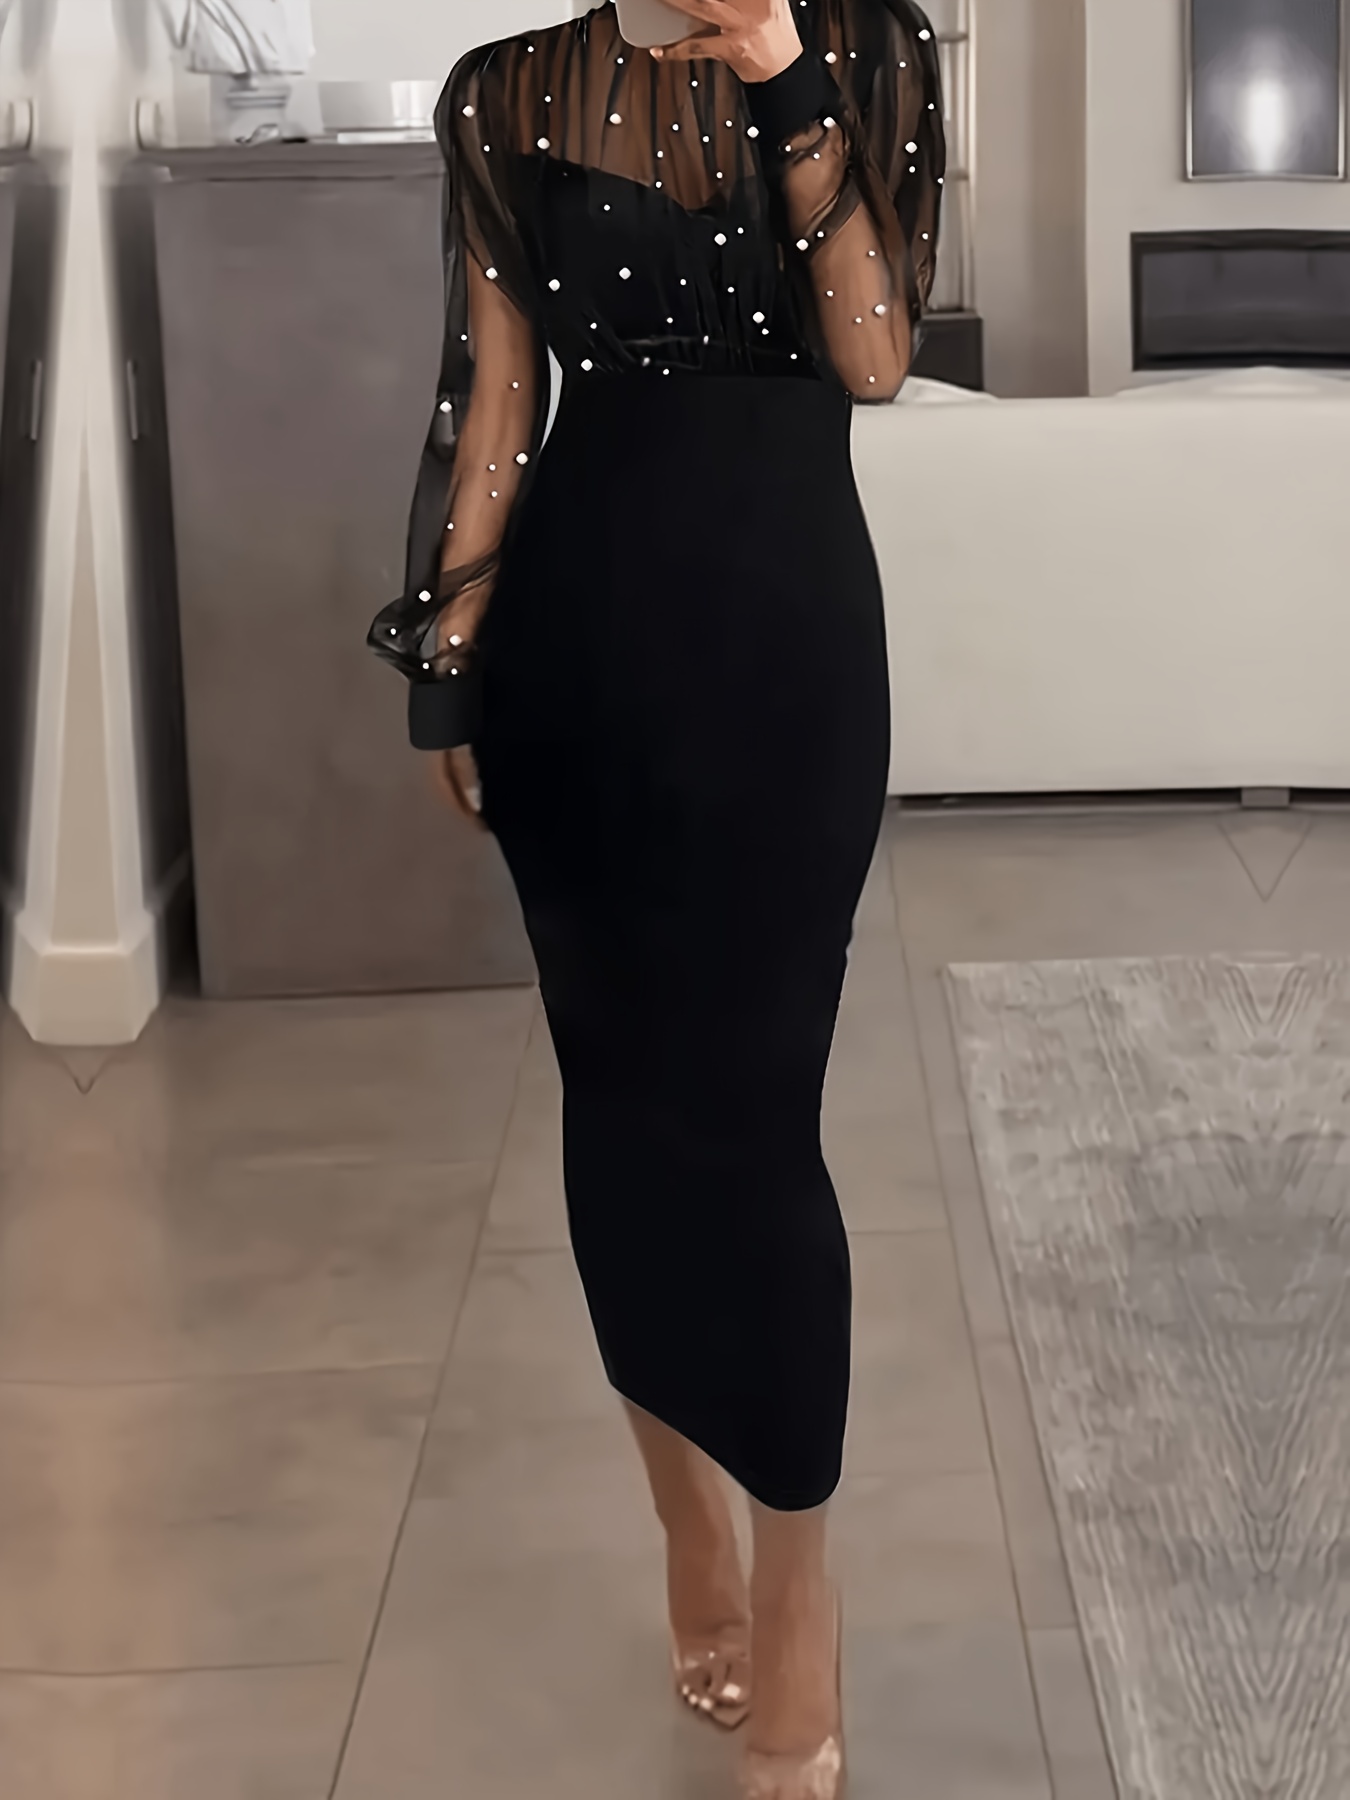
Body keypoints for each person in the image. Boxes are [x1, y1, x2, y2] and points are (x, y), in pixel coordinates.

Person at [368, 1, 944, 1792]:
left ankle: (796, 1580)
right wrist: (449, 661)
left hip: (782, 658)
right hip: (576, 659)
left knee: (756, 1131)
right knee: (620, 1118)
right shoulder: (506, 92)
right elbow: (494, 396)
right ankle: (685, 1523)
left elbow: (873, 355)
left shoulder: (866, 46)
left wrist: (777, 65)